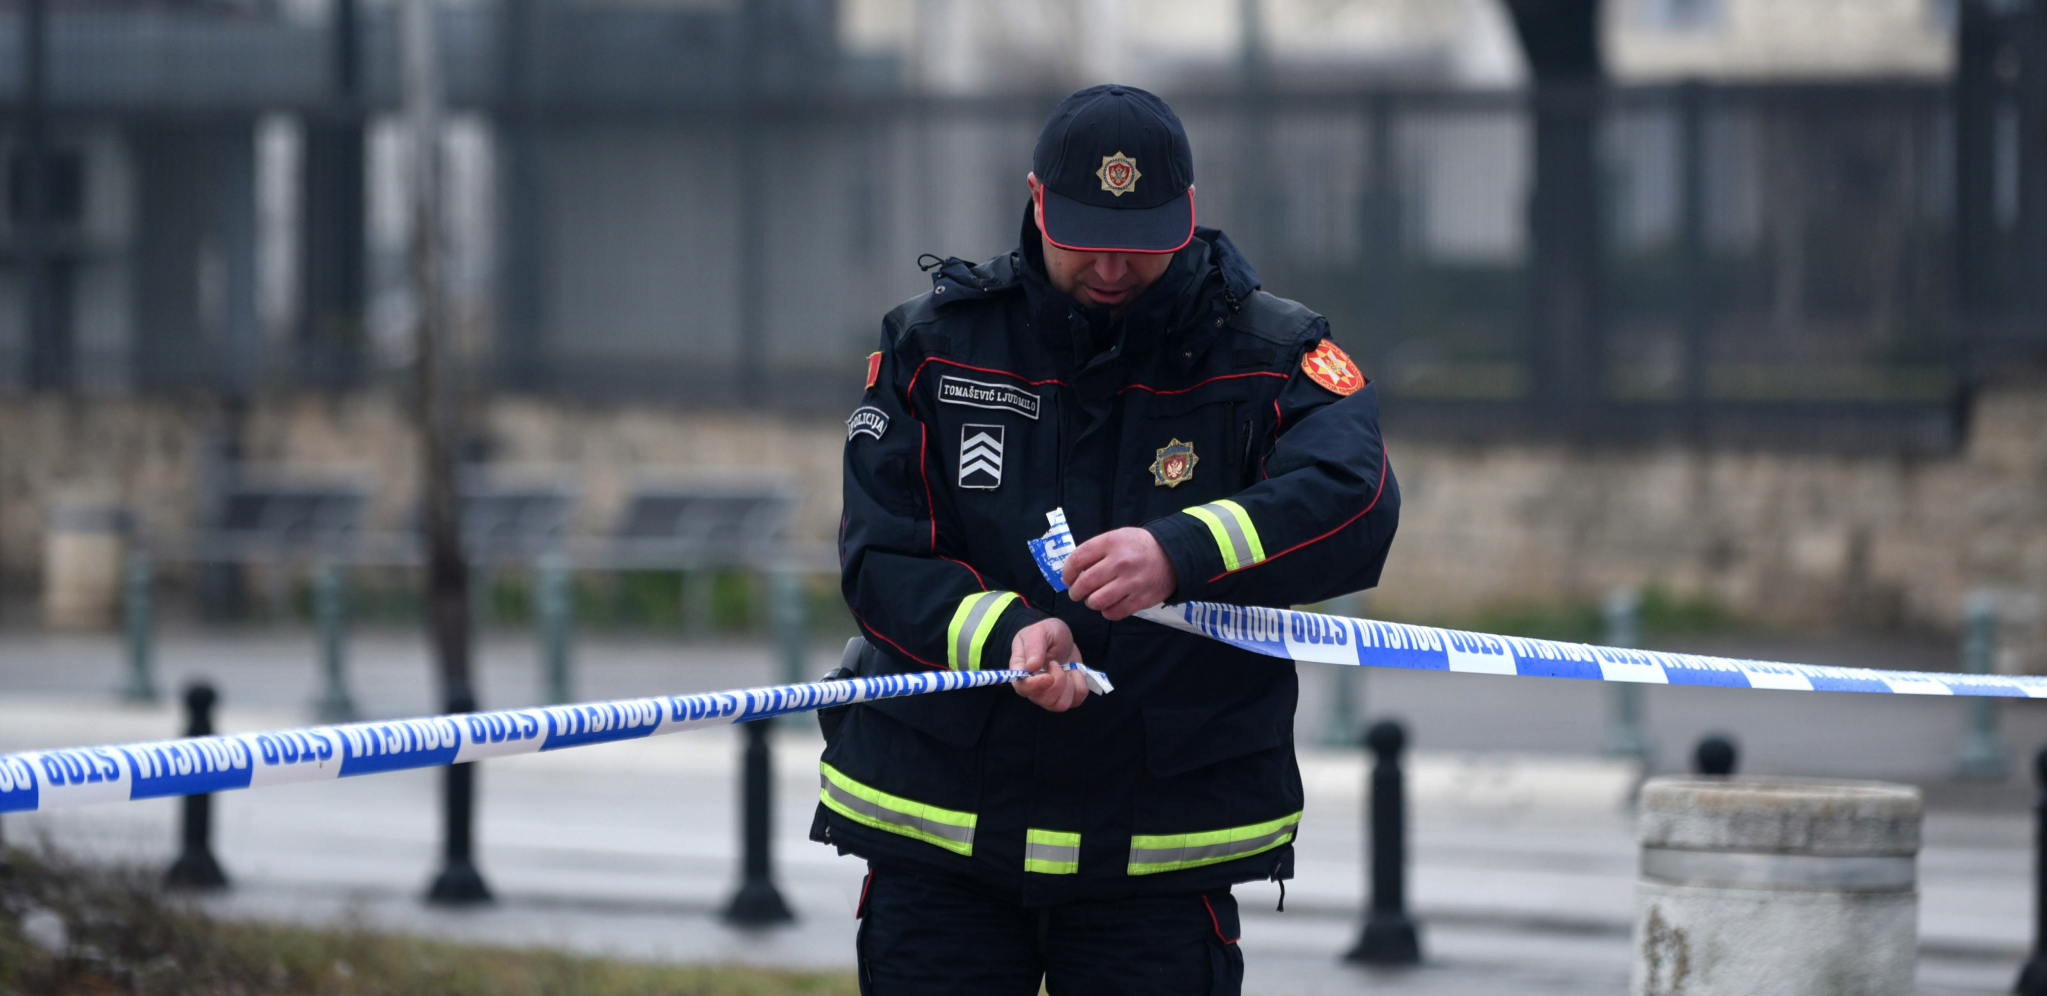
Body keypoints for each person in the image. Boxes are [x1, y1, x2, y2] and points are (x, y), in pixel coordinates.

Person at [816, 84, 1399, 995]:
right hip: (945, 836)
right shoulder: (932, 343)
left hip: (1155, 849)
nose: (1113, 267)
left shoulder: (1267, 353)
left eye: (1141, 241)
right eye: (1086, 237)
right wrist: (1006, 636)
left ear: (1189, 213)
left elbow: (1353, 500)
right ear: (1035, 201)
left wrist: (1181, 552)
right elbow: (881, 554)